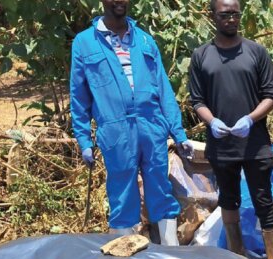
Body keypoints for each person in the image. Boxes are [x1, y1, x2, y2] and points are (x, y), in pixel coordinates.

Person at [70, 0, 193, 245]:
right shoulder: (84, 42)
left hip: (151, 126)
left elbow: (164, 89)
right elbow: (79, 96)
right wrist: (84, 139)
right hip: (115, 130)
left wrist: (178, 133)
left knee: (160, 190)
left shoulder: (145, 40)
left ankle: (171, 258)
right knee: (122, 195)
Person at [188, 0, 273, 259]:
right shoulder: (201, 55)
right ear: (213, 16)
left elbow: (270, 96)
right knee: (228, 200)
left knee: (263, 198)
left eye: (235, 14)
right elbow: (197, 100)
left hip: (255, 144)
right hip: (221, 144)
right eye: (224, 14)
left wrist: (250, 119)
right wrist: (212, 121)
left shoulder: (256, 52)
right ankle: (237, 254)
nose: (231, 19)